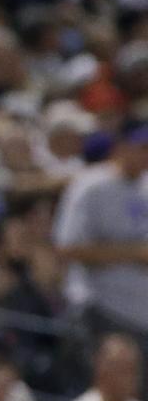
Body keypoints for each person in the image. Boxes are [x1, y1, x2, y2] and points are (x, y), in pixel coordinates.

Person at [52, 125, 148, 344]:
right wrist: (134, 253)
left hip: (142, 314)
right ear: (121, 147)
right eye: (142, 147)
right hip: (101, 309)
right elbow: (67, 247)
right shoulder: (91, 185)